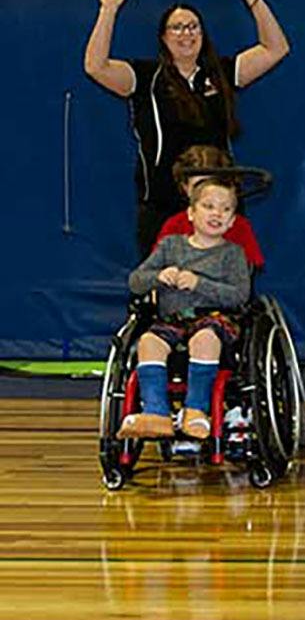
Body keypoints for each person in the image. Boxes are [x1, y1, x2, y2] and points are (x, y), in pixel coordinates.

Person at [81, 0, 291, 255]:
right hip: (164, 204)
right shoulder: (145, 77)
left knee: (228, 276)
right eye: (177, 27)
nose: (186, 34)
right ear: (164, 37)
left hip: (218, 202)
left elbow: (276, 49)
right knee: (167, 280)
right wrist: (108, 10)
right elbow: (95, 66)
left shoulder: (221, 72)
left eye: (193, 26)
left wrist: (254, 0)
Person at [117, 176, 252, 440]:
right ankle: (156, 413)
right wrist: (158, 276)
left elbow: (239, 295)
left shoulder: (233, 254)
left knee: (204, 338)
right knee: (148, 342)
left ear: (232, 221)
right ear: (191, 213)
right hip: (173, 320)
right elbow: (135, 281)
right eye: (208, 206)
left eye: (225, 209)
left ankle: (196, 410)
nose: (216, 214)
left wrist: (199, 284)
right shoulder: (170, 246)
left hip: (215, 319)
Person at [154, 144, 265, 270]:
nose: (205, 193)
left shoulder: (239, 226)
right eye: (198, 186)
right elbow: (155, 267)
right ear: (185, 187)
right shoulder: (174, 225)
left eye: (212, 185)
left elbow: (247, 270)